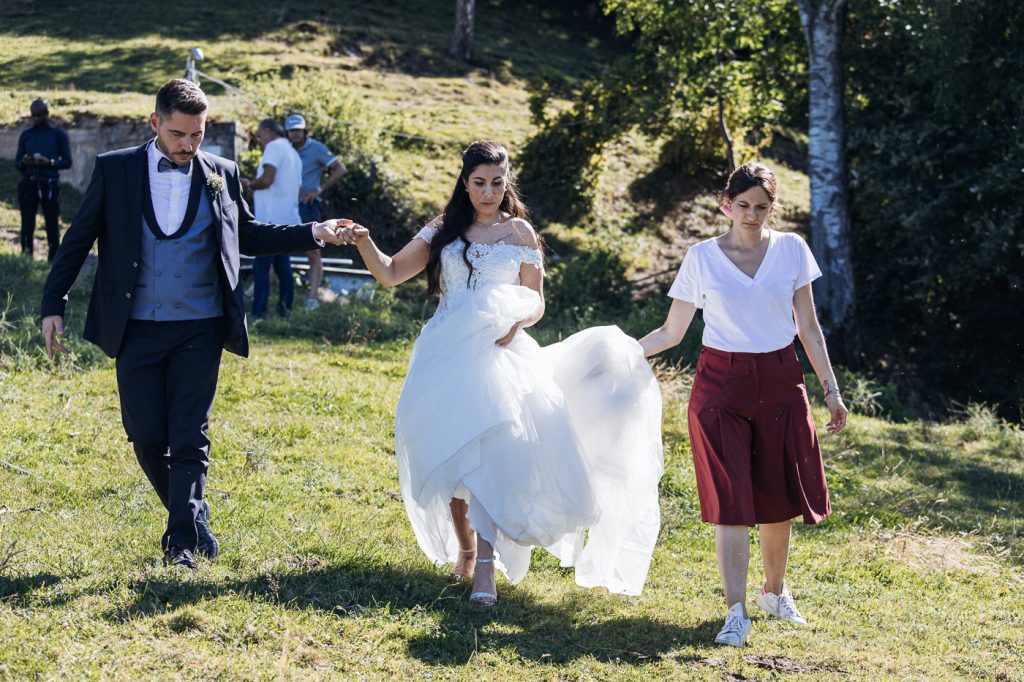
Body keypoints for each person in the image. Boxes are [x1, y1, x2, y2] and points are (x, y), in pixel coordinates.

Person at [335, 141, 664, 605]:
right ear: (464, 182)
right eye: (479, 183)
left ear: (506, 182)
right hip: (446, 350)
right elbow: (390, 274)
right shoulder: (443, 230)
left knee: (489, 449)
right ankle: (466, 550)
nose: (488, 192)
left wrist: (517, 320)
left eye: (496, 183)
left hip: (499, 349)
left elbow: (537, 300)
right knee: (449, 450)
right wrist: (364, 240)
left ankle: (486, 565)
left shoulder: (520, 232)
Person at [40, 79, 349, 569]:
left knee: (189, 434)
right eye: (180, 134)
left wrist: (314, 231)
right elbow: (78, 239)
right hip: (136, 325)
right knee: (145, 437)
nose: (188, 145)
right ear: (155, 123)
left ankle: (180, 543)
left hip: (201, 325)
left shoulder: (221, 172)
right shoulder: (116, 169)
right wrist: (52, 302)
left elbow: (247, 233)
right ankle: (193, 514)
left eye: (198, 135)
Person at [638, 162, 850, 646]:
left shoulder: (793, 249)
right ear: (725, 205)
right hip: (721, 385)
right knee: (731, 500)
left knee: (778, 498)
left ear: (772, 207)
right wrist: (624, 350)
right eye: (743, 206)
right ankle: (735, 613)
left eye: (761, 206)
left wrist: (831, 389)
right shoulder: (701, 258)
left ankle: (774, 593)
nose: (751, 215)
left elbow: (808, 327)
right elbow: (673, 332)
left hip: (780, 380)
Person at [285, 113, 348, 308]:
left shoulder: (317, 148)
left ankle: (312, 298)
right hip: (286, 204)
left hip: (307, 205)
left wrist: (318, 189)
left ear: (305, 131)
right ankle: (278, 294)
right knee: (275, 247)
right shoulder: (284, 149)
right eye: (291, 130)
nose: (295, 134)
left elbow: (340, 169)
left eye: (298, 130)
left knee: (312, 252)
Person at [242, 119, 303, 318]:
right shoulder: (293, 153)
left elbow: (267, 180)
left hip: (270, 220)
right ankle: (285, 309)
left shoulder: (274, 147)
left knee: (261, 267)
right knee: (282, 267)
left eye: (260, 136)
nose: (260, 141)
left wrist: (250, 185)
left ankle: (258, 312)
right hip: (287, 218)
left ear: (267, 132)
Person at [15, 98, 72, 261]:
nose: (36, 119)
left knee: (51, 222)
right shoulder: (26, 135)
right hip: (29, 181)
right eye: (33, 115)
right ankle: (26, 256)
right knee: (27, 222)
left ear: (47, 114)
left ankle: (53, 259)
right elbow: (17, 163)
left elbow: (67, 161)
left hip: (49, 183)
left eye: (39, 115)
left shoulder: (58, 134)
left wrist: (50, 163)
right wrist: (25, 162)